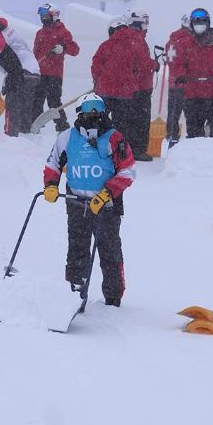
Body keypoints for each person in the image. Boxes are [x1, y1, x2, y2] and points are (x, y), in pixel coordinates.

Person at [42, 94, 137, 307]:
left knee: (109, 249)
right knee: (77, 249)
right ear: (79, 112)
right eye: (88, 108)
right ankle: (74, 294)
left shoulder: (114, 137)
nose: (93, 114)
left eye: (98, 108)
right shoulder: (67, 137)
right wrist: (51, 185)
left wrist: (107, 193)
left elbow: (128, 170)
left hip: (106, 205)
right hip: (76, 202)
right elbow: (53, 164)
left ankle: (113, 296)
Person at [177, 8, 213, 144]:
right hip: (193, 95)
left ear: (208, 23)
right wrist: (180, 76)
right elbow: (179, 63)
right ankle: (196, 158)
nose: (199, 24)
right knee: (194, 133)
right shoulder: (185, 44)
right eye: (196, 22)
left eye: (202, 21)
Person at [91, 17, 148, 156]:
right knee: (123, 125)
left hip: (104, 91)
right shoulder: (135, 46)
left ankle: (97, 150)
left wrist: (97, 81)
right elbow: (141, 67)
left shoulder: (105, 45)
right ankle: (121, 152)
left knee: (100, 121)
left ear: (111, 30)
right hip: (125, 94)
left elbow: (95, 66)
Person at [32, 3, 80, 132]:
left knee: (53, 101)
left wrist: (63, 48)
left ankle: (62, 127)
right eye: (41, 15)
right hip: (39, 73)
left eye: (45, 15)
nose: (42, 18)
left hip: (54, 74)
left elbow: (75, 50)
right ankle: (34, 127)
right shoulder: (40, 33)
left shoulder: (63, 32)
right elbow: (35, 53)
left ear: (53, 16)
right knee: (36, 100)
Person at [122, 9, 159, 161]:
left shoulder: (129, 38)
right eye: (145, 22)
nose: (147, 26)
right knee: (140, 121)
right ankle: (137, 150)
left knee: (128, 120)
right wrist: (154, 64)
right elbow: (142, 62)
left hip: (129, 88)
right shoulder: (136, 39)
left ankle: (128, 149)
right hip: (140, 87)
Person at [163, 14, 192, 146]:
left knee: (173, 114)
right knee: (191, 115)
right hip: (187, 84)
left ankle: (171, 137)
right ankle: (192, 139)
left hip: (173, 83)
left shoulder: (172, 40)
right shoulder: (189, 41)